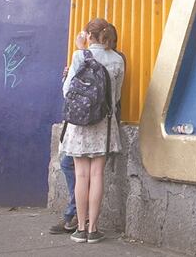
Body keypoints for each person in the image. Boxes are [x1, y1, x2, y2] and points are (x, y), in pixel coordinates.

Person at [59, 18, 124, 244]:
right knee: (97, 176)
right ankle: (94, 230)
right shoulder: (117, 59)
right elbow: (115, 97)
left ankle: (80, 228)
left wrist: (79, 49)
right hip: (104, 124)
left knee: (81, 176)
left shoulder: (79, 56)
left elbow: (67, 92)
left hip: (80, 125)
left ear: (88, 35)